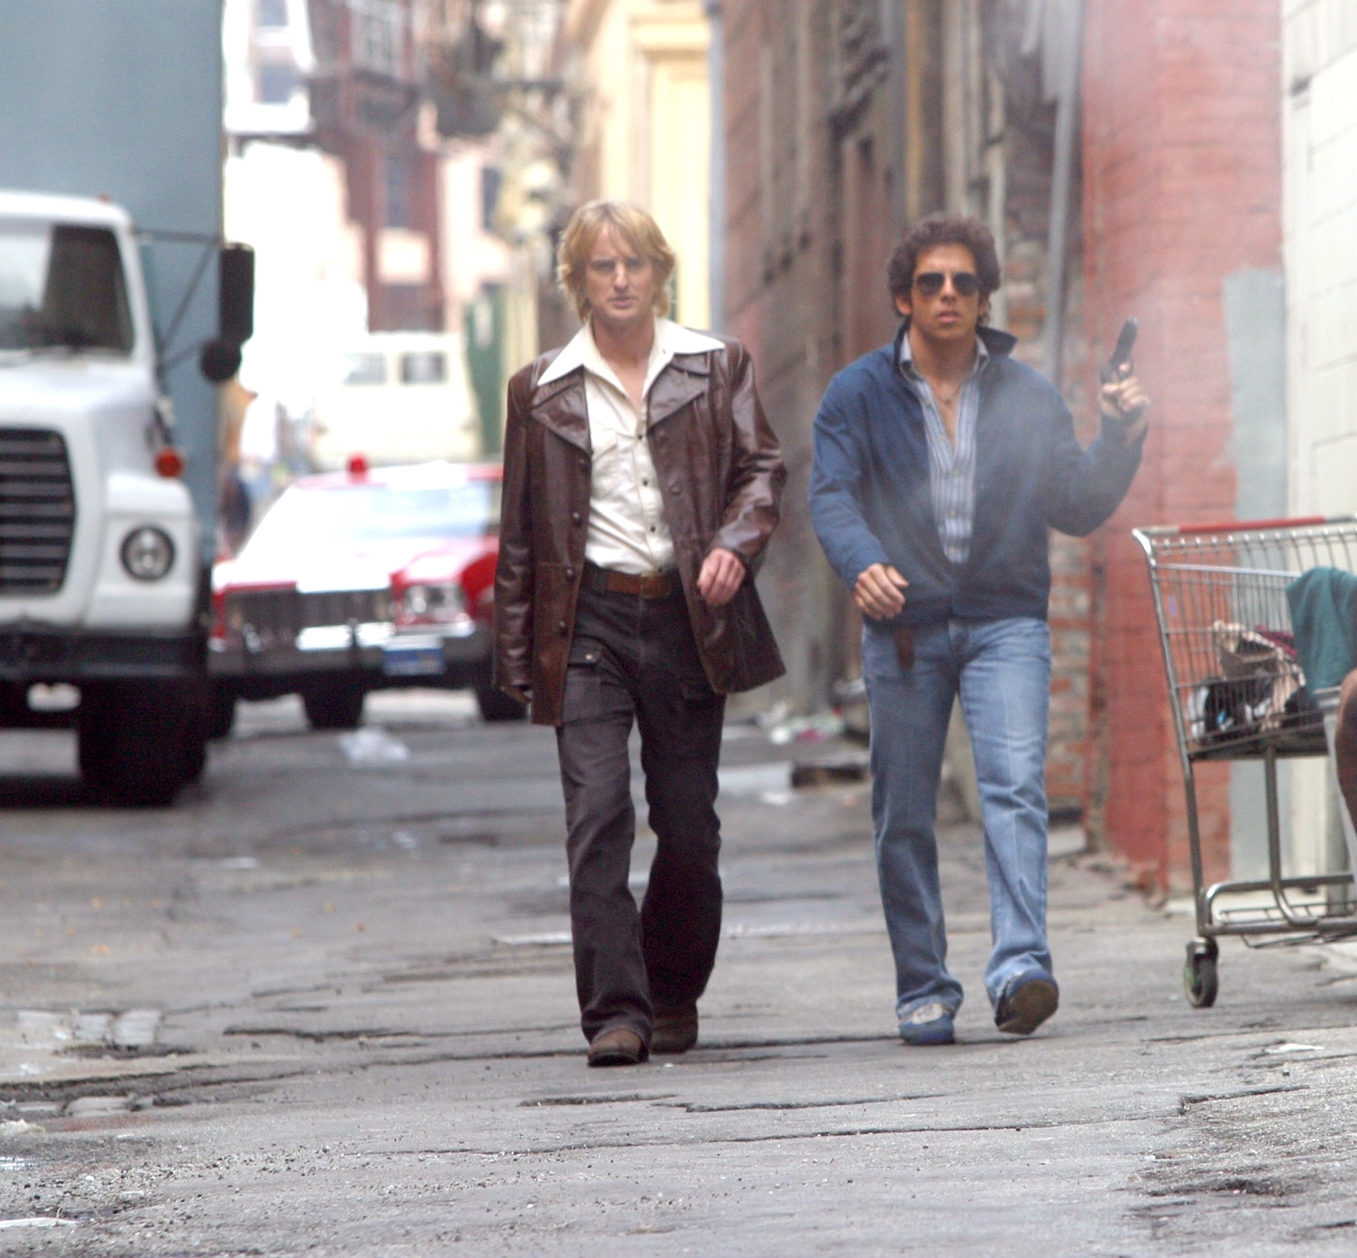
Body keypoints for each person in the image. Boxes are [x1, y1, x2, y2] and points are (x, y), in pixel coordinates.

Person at [810, 214, 1148, 1045]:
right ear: (904, 297)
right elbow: (830, 493)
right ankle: (923, 985)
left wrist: (1120, 432)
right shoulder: (858, 393)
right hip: (905, 628)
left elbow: (1074, 504)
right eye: (931, 282)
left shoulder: (1026, 396)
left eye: (964, 281)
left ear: (985, 296)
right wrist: (861, 562)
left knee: (1014, 789)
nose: (949, 294)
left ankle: (1020, 966)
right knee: (906, 812)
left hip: (1004, 621)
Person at [492, 199, 787, 1067]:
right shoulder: (540, 389)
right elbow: (518, 531)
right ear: (577, 281)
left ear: (659, 272)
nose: (619, 280)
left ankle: (672, 988)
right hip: (587, 624)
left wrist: (735, 546)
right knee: (597, 816)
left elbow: (760, 470)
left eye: (634, 264)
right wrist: (517, 658)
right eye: (600, 266)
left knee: (689, 825)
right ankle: (615, 1010)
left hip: (686, 615)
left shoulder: (715, 366)